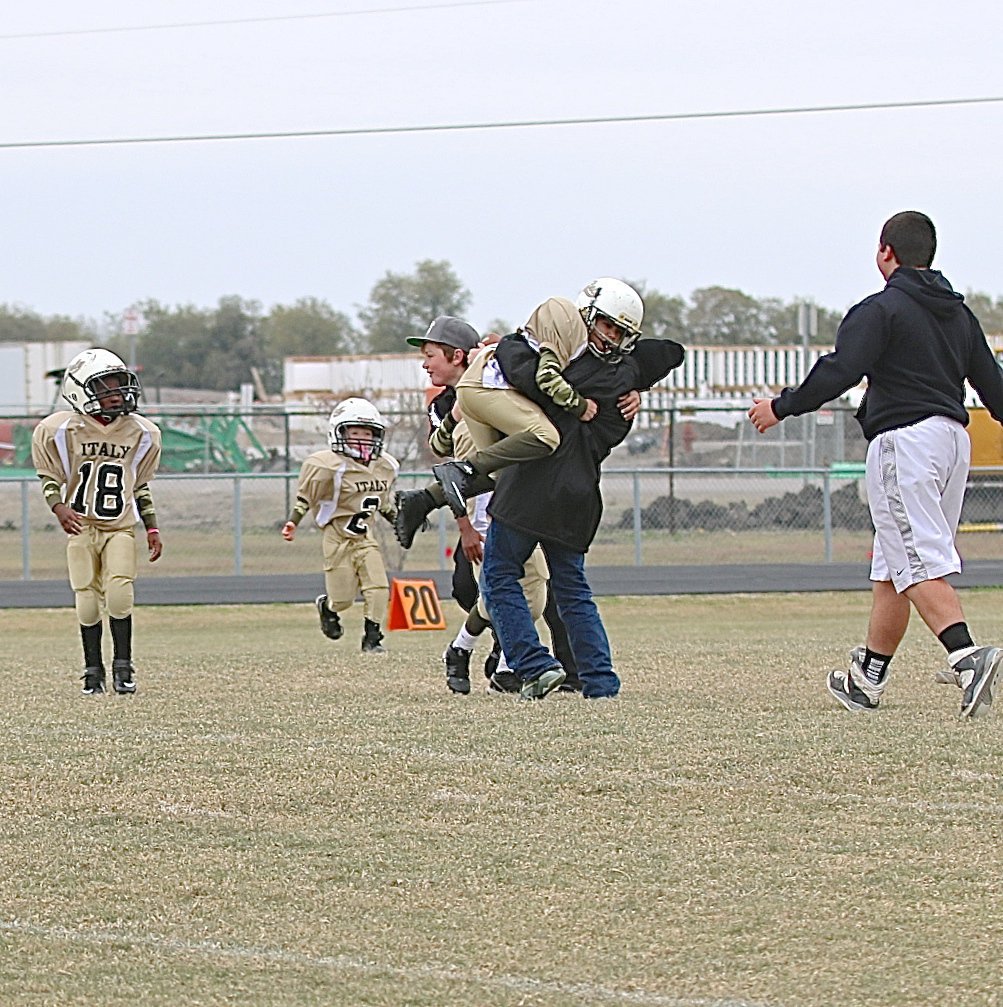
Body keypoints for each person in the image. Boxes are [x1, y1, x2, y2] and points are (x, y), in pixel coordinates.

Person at [748, 210, 1003, 719]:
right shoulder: (959, 314)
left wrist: (782, 406)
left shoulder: (881, 309)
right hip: (954, 440)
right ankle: (868, 679)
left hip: (904, 442)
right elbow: (993, 386)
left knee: (917, 561)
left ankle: (967, 656)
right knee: (894, 566)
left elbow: (841, 369)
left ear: (886, 252)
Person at [481, 322, 685, 700]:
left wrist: (513, 341)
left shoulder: (566, 371)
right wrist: (640, 384)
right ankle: (600, 681)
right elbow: (670, 350)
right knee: (573, 591)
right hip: (578, 497)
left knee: (498, 576)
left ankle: (533, 664)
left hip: (529, 487)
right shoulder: (623, 393)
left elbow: (522, 369)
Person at [393, 278, 644, 548]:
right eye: (608, 326)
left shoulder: (579, 349)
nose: (612, 337)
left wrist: (636, 387)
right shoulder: (565, 328)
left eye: (619, 331)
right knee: (545, 438)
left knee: (500, 473)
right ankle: (461, 471)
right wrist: (582, 406)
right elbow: (546, 377)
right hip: (483, 397)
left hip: (484, 402)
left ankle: (423, 499)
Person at [407, 315, 580, 695]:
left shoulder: (494, 386)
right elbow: (445, 456)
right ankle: (487, 657)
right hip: (484, 512)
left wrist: (504, 353)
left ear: (456, 355)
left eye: (430, 354)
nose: (424, 363)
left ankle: (493, 660)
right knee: (491, 591)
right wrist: (465, 526)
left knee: (530, 592)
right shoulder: (451, 403)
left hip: (514, 506)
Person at [31, 347, 163, 696]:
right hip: (81, 525)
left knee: (120, 593)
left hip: (118, 525)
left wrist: (151, 525)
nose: (116, 393)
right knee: (86, 599)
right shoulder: (61, 429)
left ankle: (124, 667)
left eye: (119, 385)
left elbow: (139, 484)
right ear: (80, 389)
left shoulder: (141, 432)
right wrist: (58, 507)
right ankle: (93, 670)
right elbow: (48, 477)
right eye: (105, 386)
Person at [282, 397, 399, 653]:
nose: (362, 439)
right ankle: (328, 606)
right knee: (343, 600)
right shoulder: (328, 466)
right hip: (337, 538)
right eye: (355, 432)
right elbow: (306, 498)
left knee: (378, 587)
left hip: (364, 537)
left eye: (367, 433)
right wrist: (293, 521)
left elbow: (383, 502)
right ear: (339, 433)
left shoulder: (385, 466)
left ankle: (372, 639)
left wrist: (400, 522)